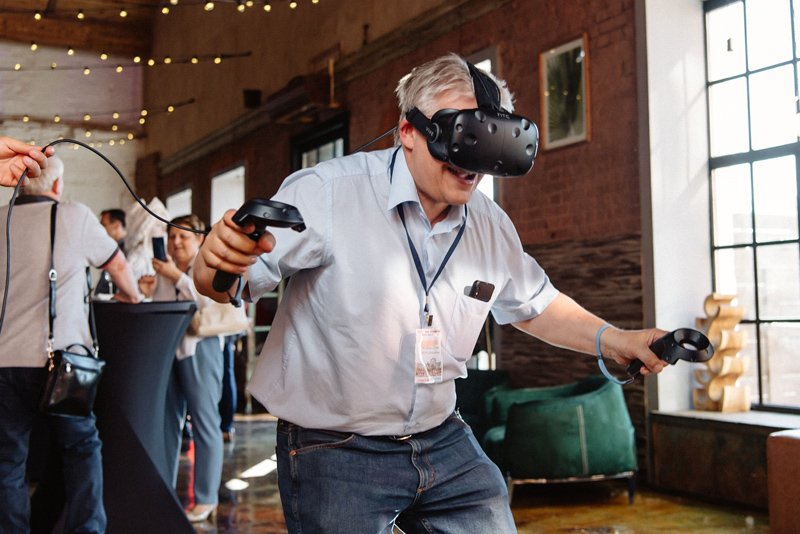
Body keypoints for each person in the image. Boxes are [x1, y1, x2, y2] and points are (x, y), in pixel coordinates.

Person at [193, 53, 668, 533]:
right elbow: (230, 280)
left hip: (440, 435)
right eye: (462, 136)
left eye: (488, 142)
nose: (472, 164)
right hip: (335, 444)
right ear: (409, 132)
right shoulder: (329, 192)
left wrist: (617, 340)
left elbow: (536, 304)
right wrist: (213, 261)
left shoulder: (488, 223)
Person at [0, 155, 142, 533]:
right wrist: (132, 296)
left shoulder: (1, 218)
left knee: (8, 461)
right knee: (80, 449)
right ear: (57, 185)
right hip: (62, 363)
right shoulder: (73, 215)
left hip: (5, 362)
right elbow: (117, 266)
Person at [139, 214, 224, 523]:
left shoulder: (208, 265)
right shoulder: (164, 270)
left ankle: (206, 497)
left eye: (183, 236)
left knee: (204, 422)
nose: (176, 242)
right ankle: (163, 489)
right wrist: (147, 290)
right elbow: (161, 309)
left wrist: (176, 276)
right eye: (172, 236)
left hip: (201, 348)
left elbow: (206, 302)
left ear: (199, 239)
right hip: (169, 351)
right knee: (167, 423)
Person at [96, 208, 128, 295]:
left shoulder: (127, 251)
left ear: (117, 225)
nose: (100, 230)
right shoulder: (113, 249)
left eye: (103, 225)